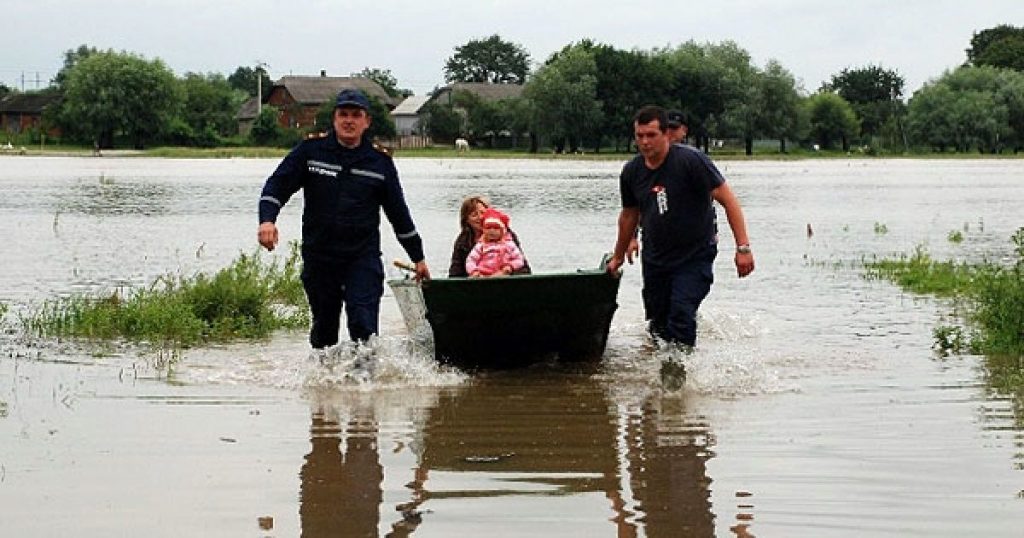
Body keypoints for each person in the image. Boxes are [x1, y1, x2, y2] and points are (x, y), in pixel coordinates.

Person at [257, 88, 430, 349]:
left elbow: (399, 215)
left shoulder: (379, 163)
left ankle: (364, 384)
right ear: (334, 119)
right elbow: (276, 187)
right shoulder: (310, 151)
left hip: (362, 257)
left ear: (366, 121)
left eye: (356, 115)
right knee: (325, 330)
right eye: (343, 114)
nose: (349, 121)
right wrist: (267, 220)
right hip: (320, 256)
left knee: (364, 327)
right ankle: (325, 386)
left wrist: (418, 257)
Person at [608, 105, 754, 348]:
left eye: (651, 135)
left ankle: (679, 374)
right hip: (656, 258)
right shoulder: (632, 172)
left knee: (681, 314)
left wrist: (743, 248)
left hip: (694, 255)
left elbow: (729, 201)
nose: (645, 142)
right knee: (658, 324)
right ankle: (662, 372)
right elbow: (628, 216)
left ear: (666, 134)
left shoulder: (691, 161)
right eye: (639, 136)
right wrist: (618, 255)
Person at [626, 109, 689, 261]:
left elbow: (713, 200)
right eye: (641, 136)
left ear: (684, 131)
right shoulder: (638, 168)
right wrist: (632, 236)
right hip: (656, 247)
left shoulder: (692, 161)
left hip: (690, 247)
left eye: (675, 129)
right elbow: (636, 208)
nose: (672, 135)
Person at [448, 195, 531, 277]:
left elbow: (524, 269)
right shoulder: (463, 241)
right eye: (474, 215)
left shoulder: (507, 235)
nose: (480, 217)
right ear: (467, 220)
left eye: (482, 213)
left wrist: (507, 271)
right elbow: (455, 273)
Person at [465, 207, 526, 277]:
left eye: (496, 228)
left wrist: (510, 266)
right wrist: (474, 271)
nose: (492, 231)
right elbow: (470, 260)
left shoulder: (509, 244)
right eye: (488, 228)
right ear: (483, 230)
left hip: (502, 273)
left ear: (502, 231)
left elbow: (519, 259)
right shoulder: (480, 245)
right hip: (482, 275)